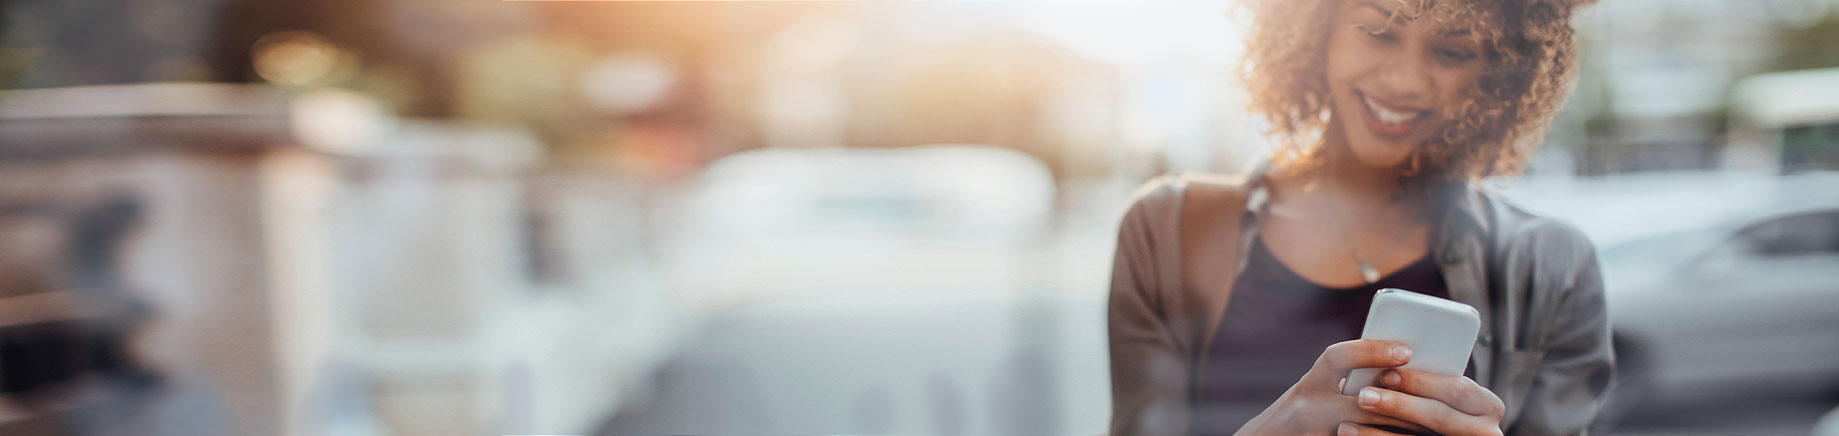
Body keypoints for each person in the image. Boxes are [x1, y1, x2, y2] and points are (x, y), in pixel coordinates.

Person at [1106, 0, 1611, 435]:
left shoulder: (1555, 267)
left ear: (1500, 70)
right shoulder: (1168, 230)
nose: (1404, 81)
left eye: (1452, 51)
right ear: (1315, 25)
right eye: (1377, 32)